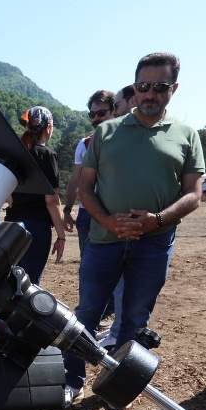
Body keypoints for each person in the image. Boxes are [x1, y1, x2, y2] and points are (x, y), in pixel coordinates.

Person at [64, 52, 205, 402]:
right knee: (87, 313)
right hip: (103, 241)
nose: (150, 94)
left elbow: (194, 194)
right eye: (143, 86)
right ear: (134, 87)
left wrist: (158, 220)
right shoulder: (106, 132)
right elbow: (85, 188)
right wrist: (108, 221)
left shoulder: (187, 135)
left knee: (134, 320)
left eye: (160, 87)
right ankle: (71, 379)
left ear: (174, 88)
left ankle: (116, 386)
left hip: (154, 244)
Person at [64, 91, 124, 349]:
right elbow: (76, 180)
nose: (96, 118)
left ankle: (112, 322)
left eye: (102, 113)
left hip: (116, 212)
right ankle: (91, 322)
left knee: (120, 271)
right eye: (92, 114)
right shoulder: (85, 143)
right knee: (90, 270)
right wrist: (68, 208)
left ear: (114, 111)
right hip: (89, 214)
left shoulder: (127, 139)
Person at [4, 105, 66, 285]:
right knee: (29, 284)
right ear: (49, 127)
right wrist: (61, 236)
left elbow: (7, 195)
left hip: (11, 224)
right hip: (36, 227)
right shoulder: (47, 155)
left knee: (10, 281)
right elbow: (51, 200)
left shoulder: (14, 152)